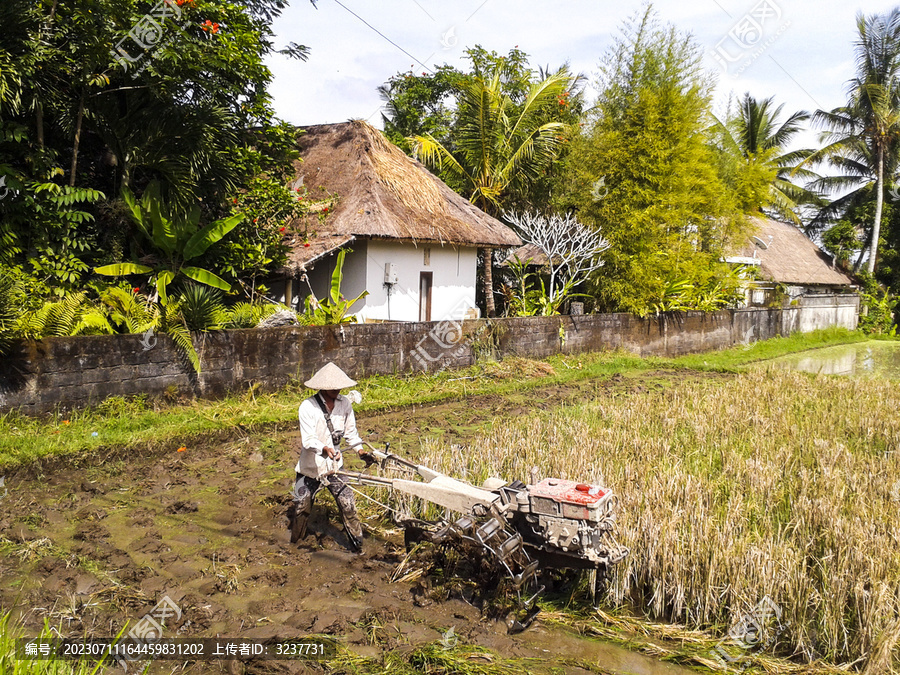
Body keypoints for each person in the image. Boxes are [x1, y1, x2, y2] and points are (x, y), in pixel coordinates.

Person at [289, 362, 368, 552]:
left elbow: (351, 434)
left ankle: (358, 547)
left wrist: (361, 452)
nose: (337, 389)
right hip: (310, 468)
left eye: (339, 386)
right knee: (301, 507)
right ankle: (295, 545)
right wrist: (324, 448)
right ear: (322, 387)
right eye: (332, 387)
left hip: (335, 466)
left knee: (348, 504)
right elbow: (308, 440)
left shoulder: (345, 404)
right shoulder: (307, 407)